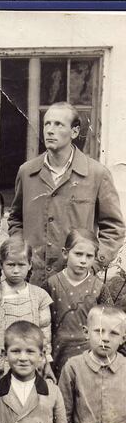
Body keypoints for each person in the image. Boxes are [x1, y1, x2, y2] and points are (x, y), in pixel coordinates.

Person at [9, 101, 125, 287]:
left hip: (76, 281)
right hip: (32, 280)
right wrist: (22, 254)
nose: (49, 130)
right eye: (47, 123)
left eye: (58, 124)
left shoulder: (96, 174)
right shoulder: (27, 171)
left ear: (75, 132)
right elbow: (16, 220)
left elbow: (114, 229)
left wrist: (93, 264)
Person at [59, 305, 126, 423]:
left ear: (123, 338)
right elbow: (63, 413)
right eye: (98, 331)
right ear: (86, 332)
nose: (104, 338)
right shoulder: (73, 367)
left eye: (113, 333)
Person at [0, 237, 54, 383]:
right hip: (2, 368)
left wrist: (47, 362)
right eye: (10, 265)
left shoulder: (40, 296)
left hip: (33, 366)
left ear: (30, 265)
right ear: (1, 264)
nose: (16, 270)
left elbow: (45, 334)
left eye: (21, 265)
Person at [46, 229, 114, 374]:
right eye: (78, 254)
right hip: (56, 353)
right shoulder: (51, 285)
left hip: (89, 355)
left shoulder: (99, 288)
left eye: (89, 256)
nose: (83, 260)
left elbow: (110, 322)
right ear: (65, 253)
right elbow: (42, 322)